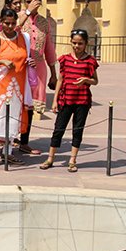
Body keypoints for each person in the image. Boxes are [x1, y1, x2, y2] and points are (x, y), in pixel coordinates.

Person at [0, 8, 35, 170]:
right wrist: (1, 61)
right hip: (0, 88)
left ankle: (7, 152)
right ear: (1, 22)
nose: (10, 26)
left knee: (13, 120)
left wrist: (30, 63)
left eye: (13, 23)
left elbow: (25, 58)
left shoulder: (24, 38)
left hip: (18, 88)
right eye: (6, 23)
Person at [40, 29, 99, 172]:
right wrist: (54, 101)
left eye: (80, 43)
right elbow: (60, 80)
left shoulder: (90, 61)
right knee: (58, 129)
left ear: (85, 44)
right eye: (74, 43)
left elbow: (95, 81)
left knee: (77, 130)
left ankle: (73, 159)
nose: (77, 46)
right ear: (70, 42)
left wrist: (86, 80)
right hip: (66, 100)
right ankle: (50, 158)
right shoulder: (65, 59)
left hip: (82, 102)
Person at [18, 0, 57, 154]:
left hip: (38, 69)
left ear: (40, 2)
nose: (30, 4)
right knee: (16, 104)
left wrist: (54, 73)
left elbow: (48, 48)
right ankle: (10, 139)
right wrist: (27, 12)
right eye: (27, 1)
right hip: (20, 68)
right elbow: (12, 32)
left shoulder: (44, 22)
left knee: (30, 107)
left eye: (33, 1)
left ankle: (24, 142)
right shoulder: (18, 17)